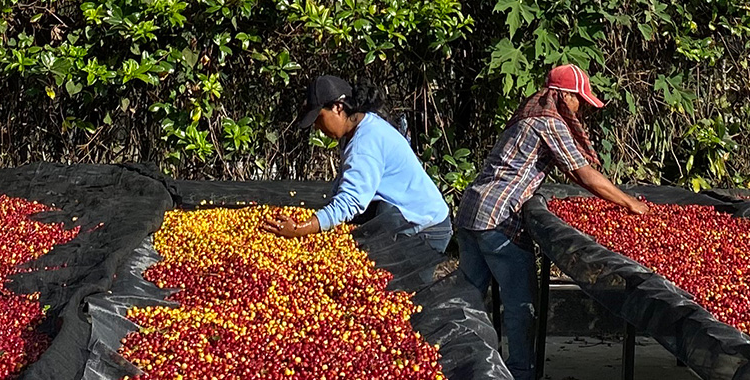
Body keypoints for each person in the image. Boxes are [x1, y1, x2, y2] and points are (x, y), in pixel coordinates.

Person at [452, 65, 650, 380]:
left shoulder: (526, 116)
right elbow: (582, 173)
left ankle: (460, 364)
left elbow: (572, 172)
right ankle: (520, 372)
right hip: (498, 219)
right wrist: (629, 202)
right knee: (521, 305)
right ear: (563, 96)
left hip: (471, 212)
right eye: (578, 99)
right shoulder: (548, 122)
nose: (580, 107)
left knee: (469, 300)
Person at [263, 74, 453, 252]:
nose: (318, 128)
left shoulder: (365, 142)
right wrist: (322, 218)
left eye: (319, 119)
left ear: (337, 107)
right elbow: (345, 186)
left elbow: (351, 201)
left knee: (394, 276)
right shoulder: (359, 129)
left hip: (426, 228)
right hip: (404, 219)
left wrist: (302, 228)